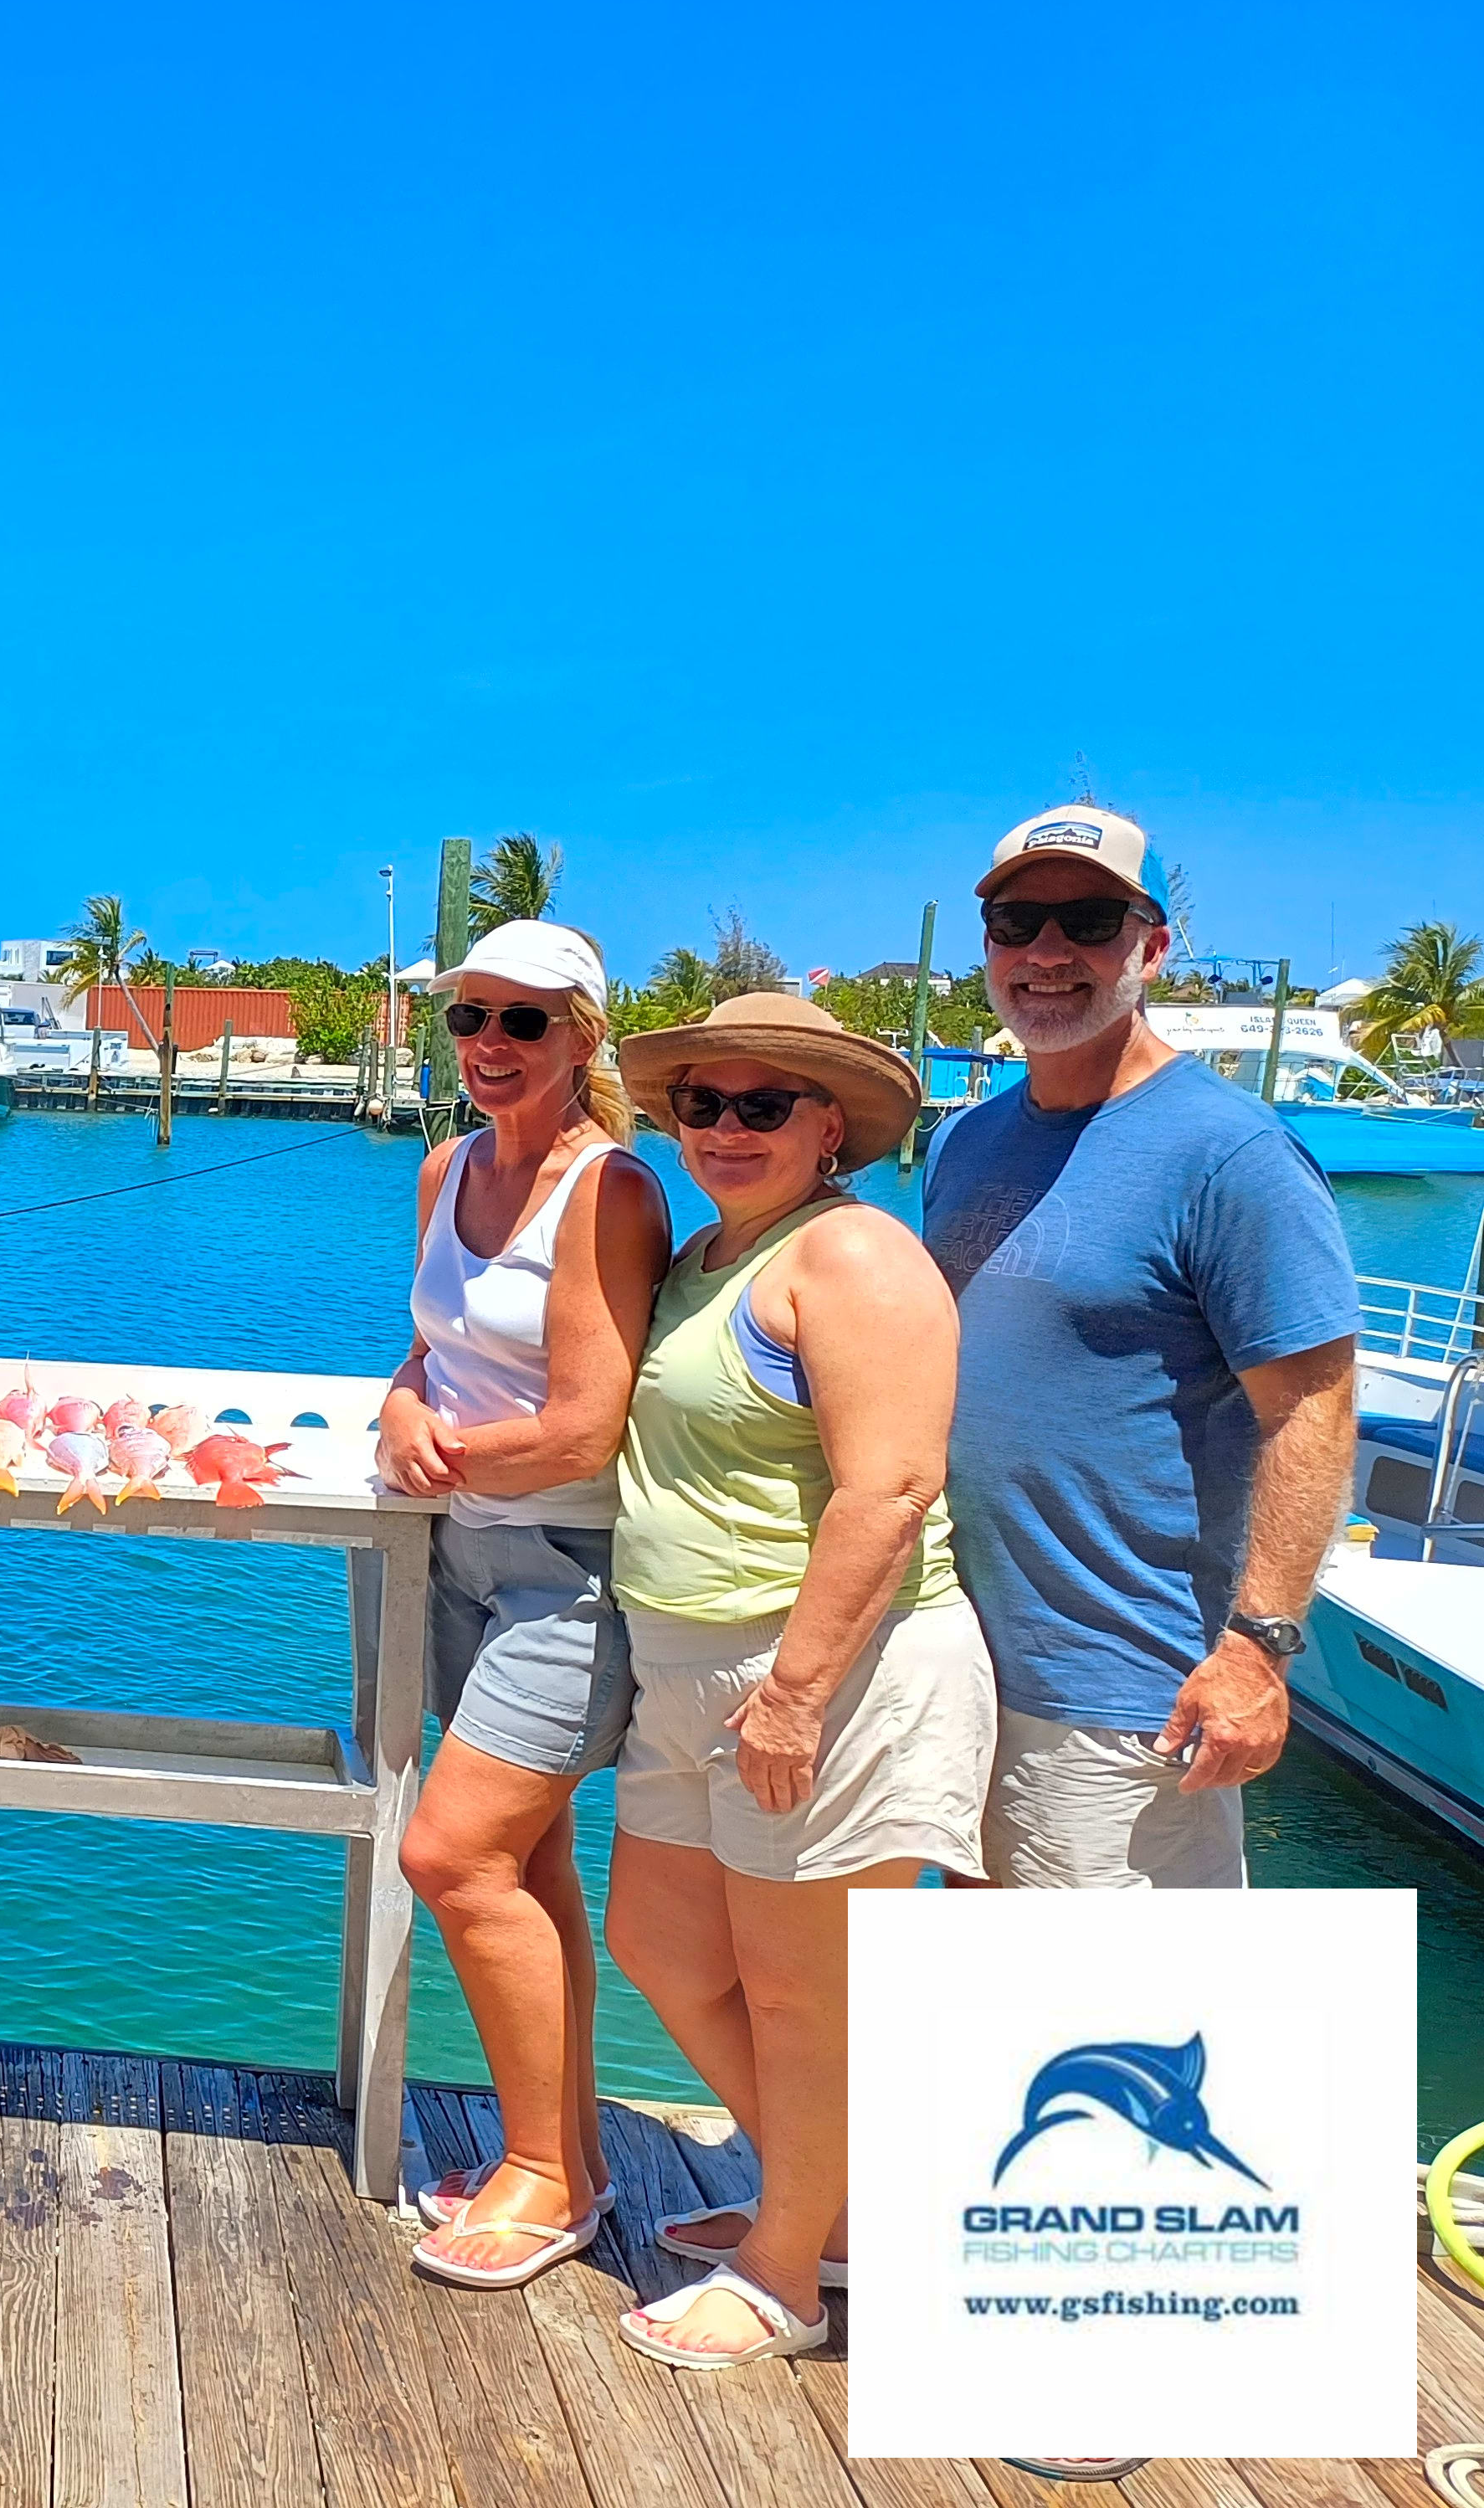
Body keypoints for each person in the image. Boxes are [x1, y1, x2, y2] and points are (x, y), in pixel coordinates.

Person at [599, 994, 994, 2369]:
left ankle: (788, 2273)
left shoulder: (856, 1257)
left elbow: (890, 1486)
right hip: (688, 1670)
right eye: (700, 1103)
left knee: (795, 1991)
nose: (723, 1127)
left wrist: (798, 1692)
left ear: (830, 1127)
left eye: (762, 1106)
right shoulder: (708, 1254)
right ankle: (827, 2204)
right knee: (656, 1943)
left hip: (830, 1674)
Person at [923, 807, 1360, 1890]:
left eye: (1090, 919)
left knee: (1123, 2033)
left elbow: (1314, 1407)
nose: (1048, 952)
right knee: (983, 2039)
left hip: (1128, 1698)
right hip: (958, 1671)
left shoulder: (1233, 1154)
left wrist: (1259, 1649)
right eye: (1018, 921)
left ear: (1153, 945)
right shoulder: (965, 1142)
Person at [377, 922, 669, 2290]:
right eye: (469, 1020)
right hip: (462, 1564)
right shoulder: (447, 1169)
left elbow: (585, 1427)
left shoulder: (609, 1191)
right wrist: (395, 1406)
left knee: (450, 1859)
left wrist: (442, 1453)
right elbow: (433, 1345)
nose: (490, 1047)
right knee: (528, 1865)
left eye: (524, 1023)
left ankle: (547, 2179)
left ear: (583, 1039)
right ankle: (566, 2159)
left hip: (565, 1567)